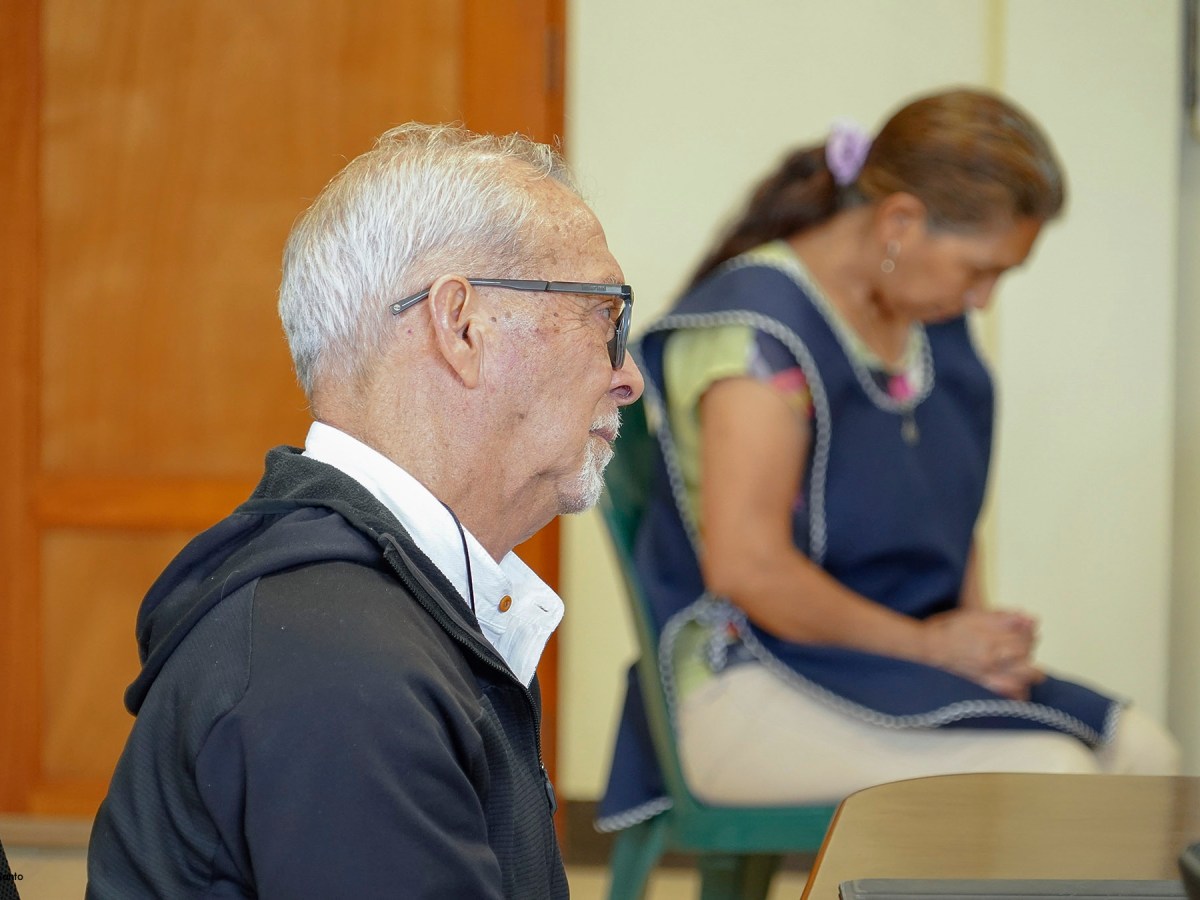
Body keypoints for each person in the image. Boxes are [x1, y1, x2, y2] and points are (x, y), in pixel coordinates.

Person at [86, 123, 643, 899]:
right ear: (462, 326)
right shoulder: (342, 672)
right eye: (606, 318)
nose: (629, 380)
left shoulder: (379, 612)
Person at [597, 88, 1178, 831]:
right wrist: (934, 645)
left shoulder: (931, 321)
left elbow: (949, 508)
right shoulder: (758, 334)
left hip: (891, 665)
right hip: (745, 685)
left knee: (1150, 758)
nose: (985, 298)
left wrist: (977, 638)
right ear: (901, 221)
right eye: (979, 269)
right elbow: (749, 568)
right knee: (1055, 779)